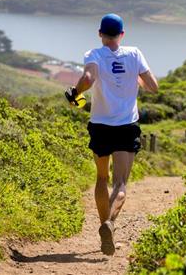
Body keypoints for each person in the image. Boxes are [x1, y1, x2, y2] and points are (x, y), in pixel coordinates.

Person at [65, 13, 158, 256]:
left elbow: (88, 78)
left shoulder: (94, 54)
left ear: (100, 34)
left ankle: (103, 223)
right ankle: (110, 224)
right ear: (122, 35)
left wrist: (75, 92)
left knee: (101, 179)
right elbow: (153, 87)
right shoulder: (134, 53)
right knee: (121, 183)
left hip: (100, 125)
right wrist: (136, 78)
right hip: (126, 125)